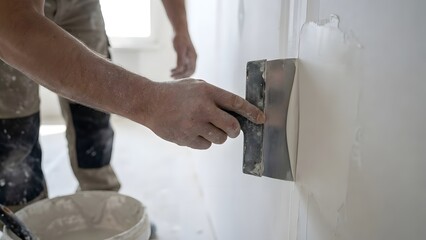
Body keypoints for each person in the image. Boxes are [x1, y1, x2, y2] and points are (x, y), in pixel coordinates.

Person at [0, 0, 264, 222]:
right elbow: (11, 24)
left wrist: (180, 29)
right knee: (16, 136)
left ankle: (101, 213)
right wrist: (152, 102)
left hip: (80, 5)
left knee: (93, 120)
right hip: (10, 15)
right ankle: (25, 222)